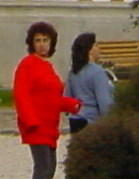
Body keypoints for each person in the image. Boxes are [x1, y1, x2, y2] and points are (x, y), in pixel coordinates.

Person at [13, 20, 81, 179]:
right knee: (43, 169)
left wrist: (72, 104)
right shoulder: (27, 64)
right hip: (37, 126)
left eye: (45, 40)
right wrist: (30, 121)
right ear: (32, 43)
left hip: (50, 126)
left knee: (50, 169)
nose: (42, 44)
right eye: (38, 40)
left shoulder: (47, 66)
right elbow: (20, 94)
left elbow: (52, 97)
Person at [64, 32, 115, 134]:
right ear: (89, 50)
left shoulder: (74, 72)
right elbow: (103, 101)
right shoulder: (97, 72)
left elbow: (67, 99)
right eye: (96, 45)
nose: (98, 48)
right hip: (91, 122)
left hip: (75, 120)